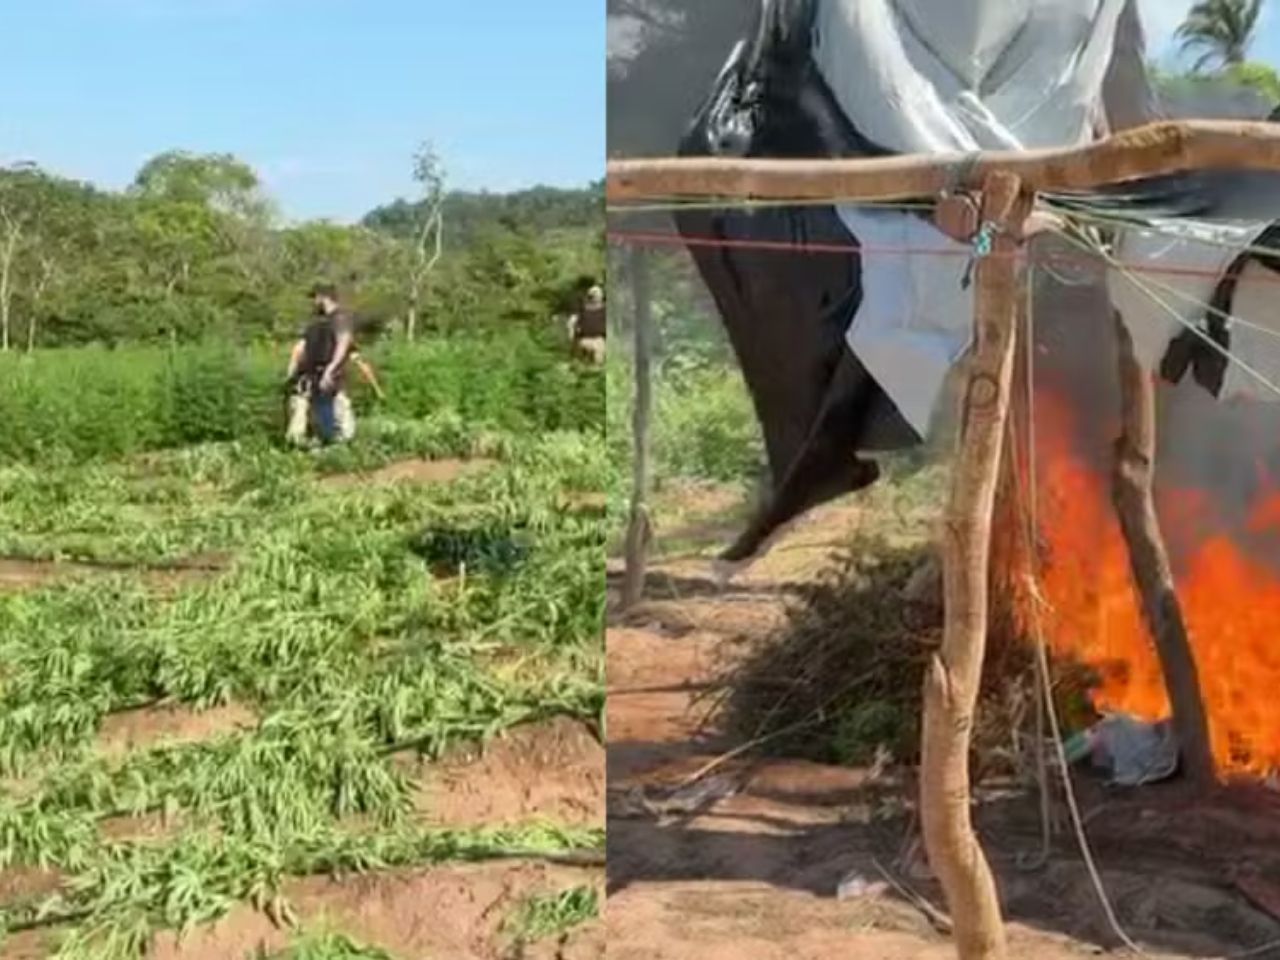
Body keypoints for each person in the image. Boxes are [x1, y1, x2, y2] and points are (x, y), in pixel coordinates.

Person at [284, 284, 384, 446]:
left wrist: (292, 376)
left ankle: (320, 449)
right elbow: (299, 350)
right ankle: (326, 450)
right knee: (335, 429)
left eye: (315, 298)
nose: (313, 302)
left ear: (323, 297)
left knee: (330, 426)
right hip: (318, 382)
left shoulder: (338, 319)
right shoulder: (319, 323)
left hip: (323, 381)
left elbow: (344, 347)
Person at [567, 282, 606, 364]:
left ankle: (597, 370)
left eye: (597, 294)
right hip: (584, 338)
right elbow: (571, 321)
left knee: (599, 346)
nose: (595, 296)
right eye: (593, 294)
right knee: (597, 347)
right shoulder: (582, 309)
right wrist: (571, 335)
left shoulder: (604, 309)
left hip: (599, 338)